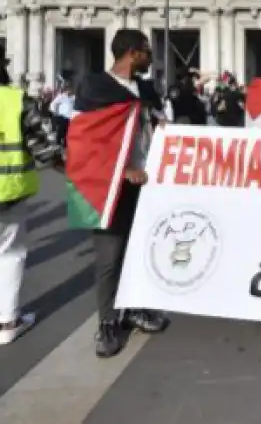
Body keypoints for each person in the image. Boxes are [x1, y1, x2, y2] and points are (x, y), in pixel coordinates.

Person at [71, 29, 169, 358]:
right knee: (110, 257)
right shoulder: (95, 87)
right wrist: (122, 169)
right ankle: (109, 322)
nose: (149, 57)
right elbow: (85, 139)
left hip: (147, 182)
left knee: (140, 249)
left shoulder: (144, 88)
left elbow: (156, 125)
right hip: (110, 183)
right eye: (145, 51)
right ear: (131, 53)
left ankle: (136, 308)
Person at [0, 59, 61, 344]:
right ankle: (7, 321)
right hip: (7, 191)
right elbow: (45, 146)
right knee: (10, 254)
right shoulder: (16, 101)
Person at [49, 82, 75, 146]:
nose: (69, 91)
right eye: (68, 89)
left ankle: (65, 144)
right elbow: (53, 104)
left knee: (68, 131)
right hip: (62, 116)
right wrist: (55, 112)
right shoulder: (62, 96)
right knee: (61, 130)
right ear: (66, 90)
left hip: (70, 117)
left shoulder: (74, 97)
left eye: (71, 89)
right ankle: (58, 141)